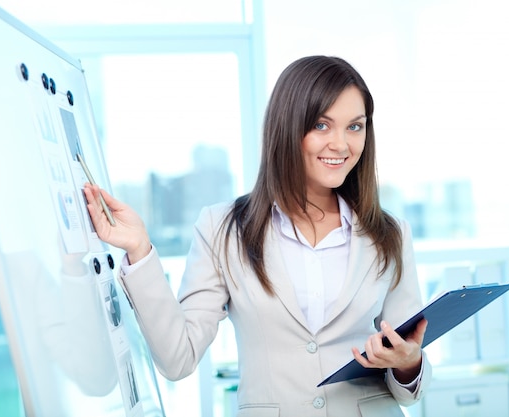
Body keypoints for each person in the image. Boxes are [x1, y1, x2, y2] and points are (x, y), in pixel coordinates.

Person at [83, 55, 432, 417]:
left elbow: (409, 381)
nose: (341, 145)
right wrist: (140, 250)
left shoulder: (390, 233)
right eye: (322, 125)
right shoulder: (223, 229)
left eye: (355, 127)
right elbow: (177, 359)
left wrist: (410, 362)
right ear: (287, 127)